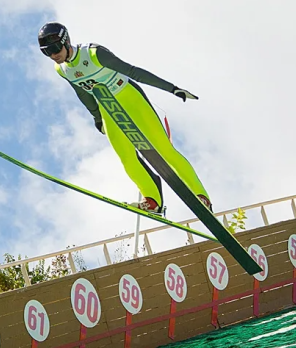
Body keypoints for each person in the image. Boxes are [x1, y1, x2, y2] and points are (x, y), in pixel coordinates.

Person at [38, 22, 211, 215]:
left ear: (66, 41)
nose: (54, 55)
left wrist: (172, 88)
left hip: (130, 98)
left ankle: (200, 195)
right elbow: (82, 93)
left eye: (55, 49)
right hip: (108, 109)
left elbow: (133, 72)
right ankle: (152, 200)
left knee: (163, 149)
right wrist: (97, 118)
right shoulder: (61, 69)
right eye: (47, 53)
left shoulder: (93, 54)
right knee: (126, 157)